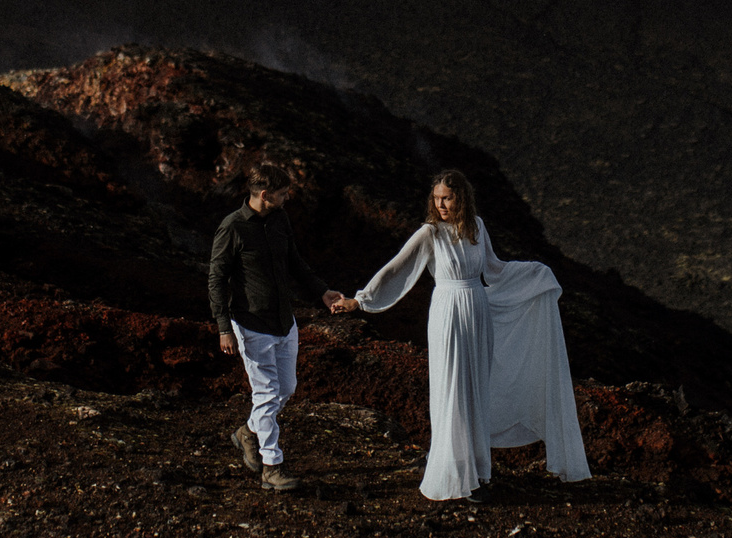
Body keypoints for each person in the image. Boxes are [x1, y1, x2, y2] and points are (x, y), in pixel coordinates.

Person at [346, 169, 589, 502]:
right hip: (448, 314)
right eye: (437, 198)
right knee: (453, 390)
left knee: (475, 390)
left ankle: (475, 471)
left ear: (461, 198)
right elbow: (396, 268)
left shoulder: (477, 227)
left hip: (477, 311)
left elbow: (494, 269)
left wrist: (535, 273)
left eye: (448, 198)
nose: (441, 204)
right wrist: (360, 299)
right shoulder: (429, 233)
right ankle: (453, 474)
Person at [208, 166, 347, 492]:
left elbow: (294, 261)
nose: (288, 198)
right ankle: (272, 466)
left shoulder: (280, 220)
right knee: (267, 395)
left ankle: (248, 432)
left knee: (286, 389)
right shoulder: (233, 228)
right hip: (252, 324)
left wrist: (321, 291)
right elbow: (216, 279)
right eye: (283, 193)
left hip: (285, 322)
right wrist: (222, 327)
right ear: (265, 195)